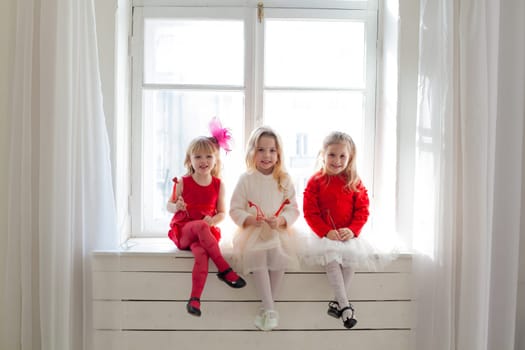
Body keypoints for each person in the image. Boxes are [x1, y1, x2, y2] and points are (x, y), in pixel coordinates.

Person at [167, 118, 246, 317]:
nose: (204, 161)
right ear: (189, 160)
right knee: (201, 226)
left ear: (216, 160)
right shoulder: (183, 182)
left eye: (208, 157)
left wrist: (214, 220)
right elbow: (169, 205)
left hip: (204, 235)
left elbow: (221, 213)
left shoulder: (218, 184)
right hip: (185, 231)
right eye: (198, 157)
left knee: (202, 255)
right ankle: (225, 270)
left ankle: (194, 300)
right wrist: (176, 205)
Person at [230, 126, 300, 331]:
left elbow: (293, 209)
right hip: (253, 231)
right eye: (261, 150)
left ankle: (267, 308)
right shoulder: (246, 179)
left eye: (271, 150)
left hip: (278, 230)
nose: (266, 155)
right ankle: (270, 308)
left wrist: (280, 221)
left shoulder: (284, 179)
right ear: (252, 152)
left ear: (278, 154)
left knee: (279, 255)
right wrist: (250, 219)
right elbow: (234, 209)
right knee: (258, 254)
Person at [302, 131, 374, 330]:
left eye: (342, 156)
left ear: (350, 157)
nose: (337, 160)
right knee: (332, 259)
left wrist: (352, 229)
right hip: (326, 235)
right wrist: (325, 231)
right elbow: (310, 212)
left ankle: (338, 303)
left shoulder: (354, 181)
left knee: (350, 260)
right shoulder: (316, 181)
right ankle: (345, 306)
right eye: (332, 155)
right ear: (323, 155)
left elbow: (363, 209)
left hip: (347, 233)